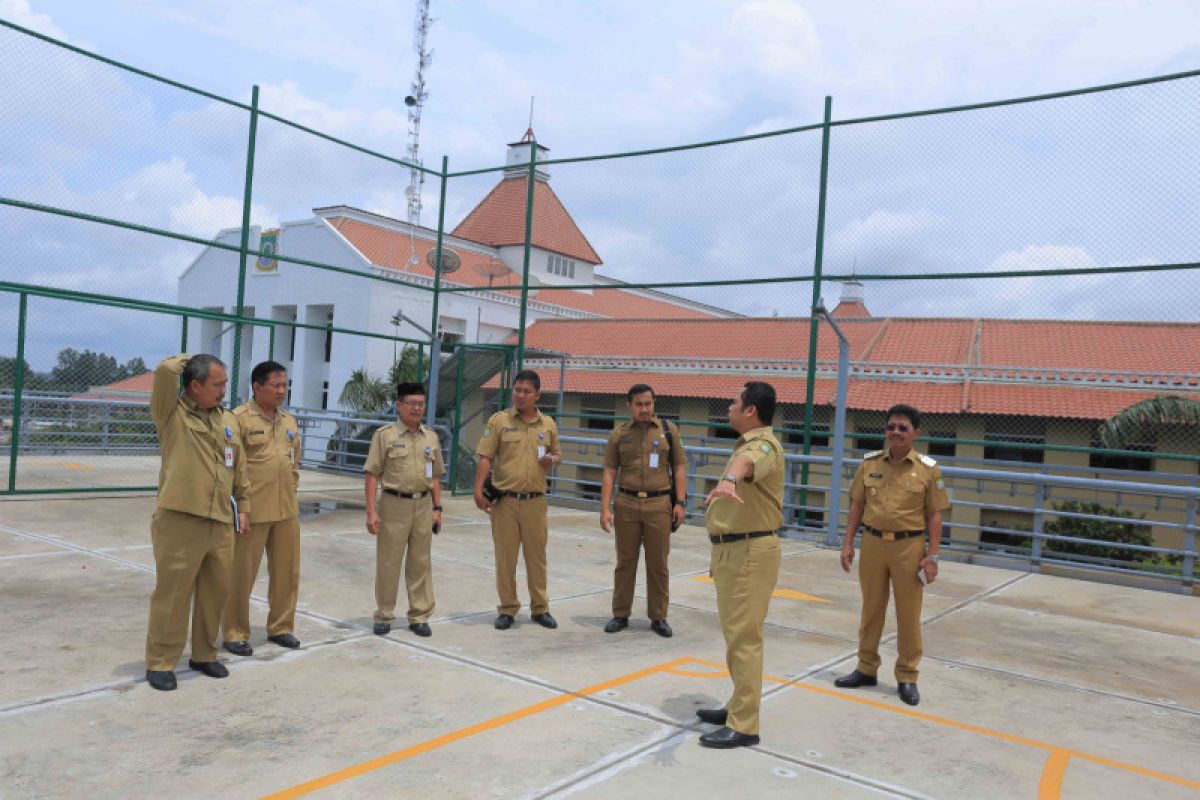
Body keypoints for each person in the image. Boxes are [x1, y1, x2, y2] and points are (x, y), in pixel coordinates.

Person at [144, 353, 250, 692]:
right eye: (217, 384)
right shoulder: (171, 414)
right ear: (194, 385)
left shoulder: (228, 421)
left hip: (220, 521)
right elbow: (164, 372)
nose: (223, 390)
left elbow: (239, 471)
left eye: (224, 384)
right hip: (180, 520)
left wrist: (243, 506)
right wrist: (195, 357)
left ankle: (204, 654)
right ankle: (161, 661)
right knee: (173, 595)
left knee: (214, 593)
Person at [836, 403, 950, 707]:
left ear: (915, 433)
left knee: (908, 614)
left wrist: (934, 556)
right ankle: (866, 668)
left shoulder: (927, 469)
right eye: (891, 427)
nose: (896, 432)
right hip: (872, 543)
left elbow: (935, 515)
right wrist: (848, 543)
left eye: (903, 428)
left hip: (909, 548)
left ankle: (907, 676)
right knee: (871, 609)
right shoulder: (870, 464)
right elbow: (857, 506)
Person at [694, 381, 784, 749]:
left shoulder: (761, 445)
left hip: (749, 551)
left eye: (734, 402)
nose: (728, 407)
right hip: (735, 550)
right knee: (736, 636)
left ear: (750, 411)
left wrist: (730, 477)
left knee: (745, 638)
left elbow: (746, 465)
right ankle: (737, 704)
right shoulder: (748, 443)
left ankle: (745, 724)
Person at [222, 361, 302, 657]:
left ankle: (281, 627)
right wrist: (237, 506)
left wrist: (292, 482)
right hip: (251, 511)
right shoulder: (238, 419)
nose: (283, 391)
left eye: (285, 385)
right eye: (276, 385)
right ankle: (234, 631)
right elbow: (229, 464)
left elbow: (295, 459)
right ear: (257, 387)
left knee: (287, 573)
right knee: (241, 574)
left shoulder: (289, 421)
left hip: (286, 509)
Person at [473, 370, 561, 631]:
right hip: (506, 502)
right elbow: (486, 457)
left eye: (526, 391)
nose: (520, 395)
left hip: (535, 501)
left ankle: (540, 608)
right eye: (517, 389)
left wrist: (553, 460)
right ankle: (508, 608)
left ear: (537, 395)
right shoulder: (499, 421)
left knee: (537, 557)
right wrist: (478, 490)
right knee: (506, 558)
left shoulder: (548, 425)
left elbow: (557, 455)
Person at [599, 384, 687, 637]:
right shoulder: (619, 435)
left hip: (659, 505)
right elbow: (609, 472)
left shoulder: (669, 431)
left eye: (648, 404)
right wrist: (605, 509)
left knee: (658, 563)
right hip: (626, 504)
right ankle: (620, 614)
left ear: (654, 404)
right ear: (630, 406)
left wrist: (680, 503)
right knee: (625, 562)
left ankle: (658, 617)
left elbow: (679, 467)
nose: (645, 409)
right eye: (639, 404)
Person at [364, 382, 445, 637]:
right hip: (393, 504)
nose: (417, 408)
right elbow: (372, 475)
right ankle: (384, 615)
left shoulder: (430, 436)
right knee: (389, 562)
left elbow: (434, 476)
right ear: (399, 405)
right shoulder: (385, 435)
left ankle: (419, 615)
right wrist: (371, 511)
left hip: (422, 505)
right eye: (411, 403)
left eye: (421, 403)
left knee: (420, 562)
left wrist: (437, 508)